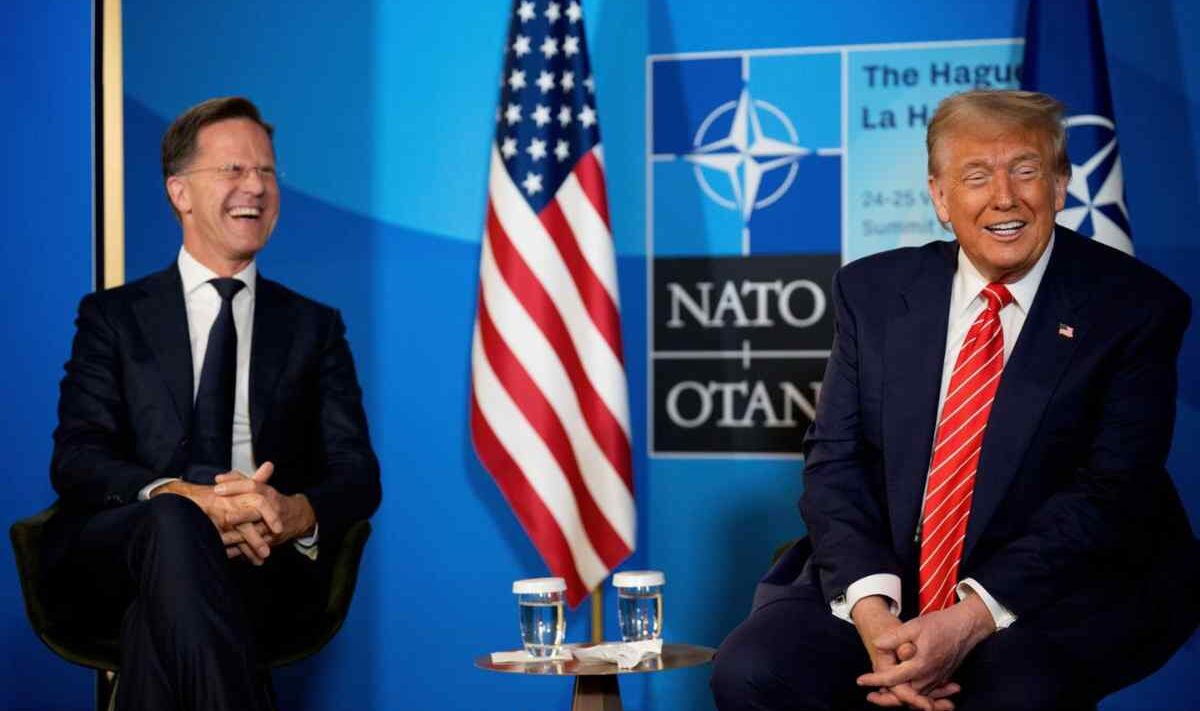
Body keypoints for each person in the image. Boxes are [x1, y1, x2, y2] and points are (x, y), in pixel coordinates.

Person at [710, 89, 1199, 711]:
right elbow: (835, 461)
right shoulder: (874, 292)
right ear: (941, 198)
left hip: (1050, 584)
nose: (1004, 197)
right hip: (887, 575)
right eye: (976, 176)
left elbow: (1112, 491)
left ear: (1060, 184)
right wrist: (873, 613)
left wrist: (970, 618)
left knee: (1011, 694)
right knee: (752, 671)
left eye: (1025, 170)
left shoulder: (1133, 306)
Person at [44, 96, 381, 710]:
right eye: (233, 169)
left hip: (262, 563)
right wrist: (181, 496)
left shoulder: (313, 327)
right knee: (175, 521)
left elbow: (358, 474)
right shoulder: (113, 317)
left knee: (157, 624)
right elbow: (77, 457)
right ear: (180, 193)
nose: (256, 186)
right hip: (122, 553)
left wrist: (292, 511)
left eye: (267, 171)